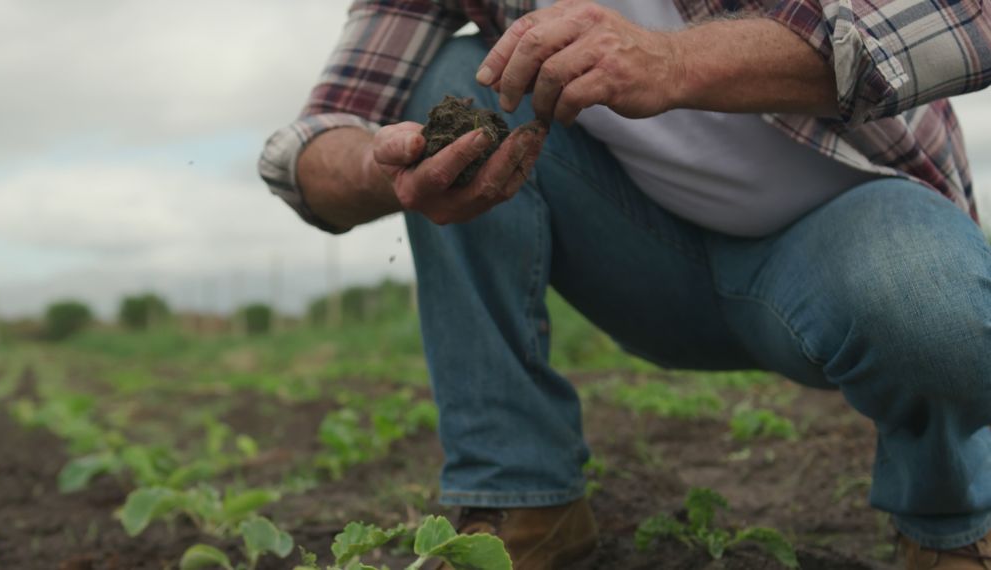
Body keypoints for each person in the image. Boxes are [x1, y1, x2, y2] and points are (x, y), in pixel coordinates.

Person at [259, 1, 991, 568]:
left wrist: (675, 63)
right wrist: (380, 167)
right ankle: (519, 500)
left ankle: (951, 523)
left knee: (931, 304)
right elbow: (317, 139)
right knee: (455, 78)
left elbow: (967, 19)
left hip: (852, 230)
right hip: (649, 259)